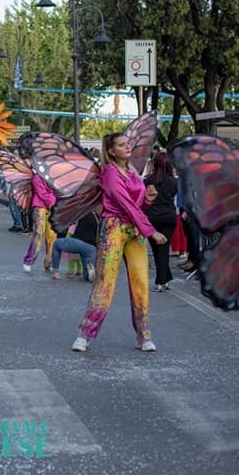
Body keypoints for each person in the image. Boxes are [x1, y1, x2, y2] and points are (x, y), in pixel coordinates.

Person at [71, 132, 168, 353]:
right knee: (105, 283)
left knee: (141, 282)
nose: (127, 147)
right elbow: (126, 205)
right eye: (122, 145)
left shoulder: (132, 172)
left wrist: (148, 201)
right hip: (113, 228)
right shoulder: (110, 173)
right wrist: (151, 232)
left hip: (133, 230)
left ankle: (143, 335)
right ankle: (85, 333)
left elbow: (137, 206)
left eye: (128, 143)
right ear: (111, 151)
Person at [144, 152, 179, 291]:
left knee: (157, 249)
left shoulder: (147, 181)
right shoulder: (174, 181)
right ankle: (166, 278)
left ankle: (160, 281)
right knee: (164, 248)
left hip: (152, 217)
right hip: (169, 216)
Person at [22, 171, 57, 272]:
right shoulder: (37, 176)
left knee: (52, 236)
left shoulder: (54, 175)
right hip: (40, 206)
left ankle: (49, 262)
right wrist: (52, 200)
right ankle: (28, 260)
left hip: (51, 207)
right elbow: (42, 193)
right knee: (39, 234)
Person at [49, 210, 98, 281]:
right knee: (87, 275)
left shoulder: (79, 213)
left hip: (77, 243)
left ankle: (55, 272)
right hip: (91, 247)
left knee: (57, 244)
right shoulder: (97, 216)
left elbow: (70, 227)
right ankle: (89, 272)